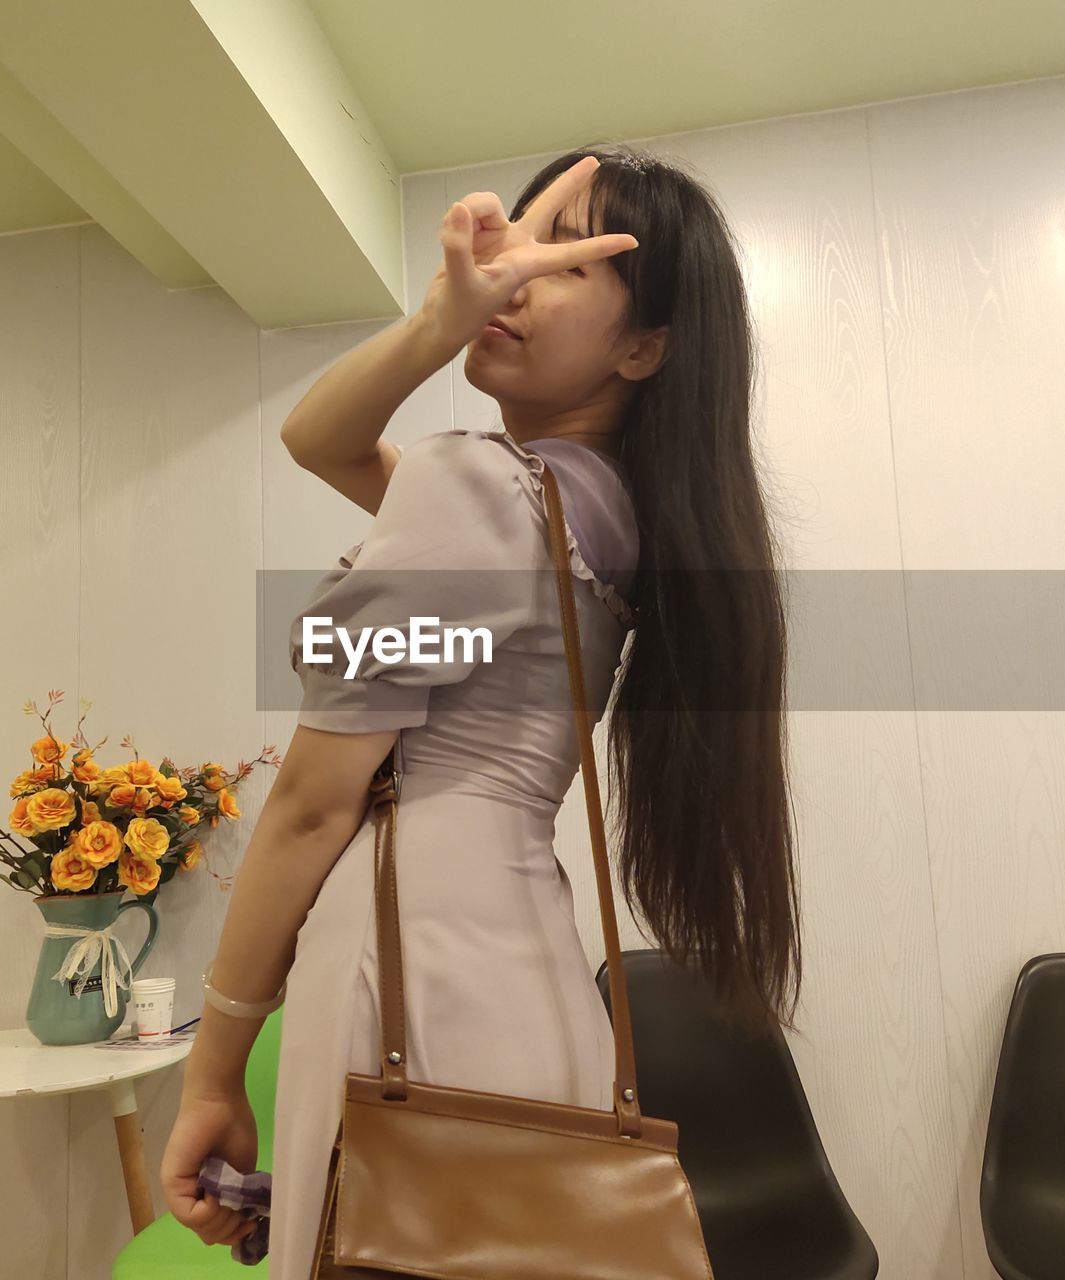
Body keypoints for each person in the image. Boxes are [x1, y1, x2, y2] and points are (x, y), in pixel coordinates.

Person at [159, 144, 804, 1274]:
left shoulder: (478, 494)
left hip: (406, 969)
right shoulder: (584, 520)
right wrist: (438, 319)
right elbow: (320, 441)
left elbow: (315, 803)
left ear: (645, 345)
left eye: (564, 260)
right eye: (514, 237)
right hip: (526, 972)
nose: (513, 268)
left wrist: (212, 1070)